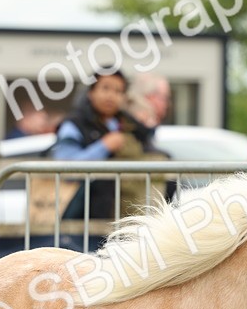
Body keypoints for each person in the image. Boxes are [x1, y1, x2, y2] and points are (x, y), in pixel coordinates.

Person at [53, 69, 165, 219]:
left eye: (118, 91)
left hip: (121, 218)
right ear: (91, 92)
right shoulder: (73, 125)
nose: (111, 95)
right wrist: (104, 146)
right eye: (105, 88)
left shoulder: (129, 125)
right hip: (83, 220)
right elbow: (65, 170)